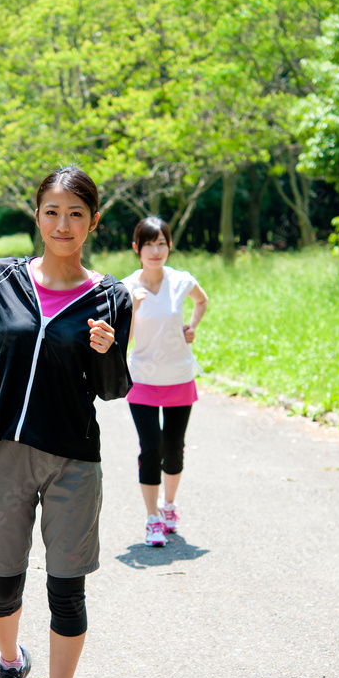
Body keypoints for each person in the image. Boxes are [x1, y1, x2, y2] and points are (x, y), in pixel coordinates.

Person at [0, 167, 132, 678]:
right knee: (2, 585)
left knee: (66, 592)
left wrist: (106, 353)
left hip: (73, 458)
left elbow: (112, 389)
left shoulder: (111, 297)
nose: (63, 224)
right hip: (2, 449)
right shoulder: (2, 277)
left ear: (93, 222)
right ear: (37, 216)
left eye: (76, 214)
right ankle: (10, 666)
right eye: (52, 212)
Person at [121, 216, 208, 547]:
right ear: (137, 249)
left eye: (161, 244)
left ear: (169, 246)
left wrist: (192, 326)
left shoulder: (182, 281)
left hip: (178, 376)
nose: (155, 251)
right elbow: (121, 339)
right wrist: (131, 309)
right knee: (151, 446)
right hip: (142, 378)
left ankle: (169, 507)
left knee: (174, 448)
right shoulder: (128, 287)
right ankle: (152, 518)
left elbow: (202, 300)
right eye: (148, 244)